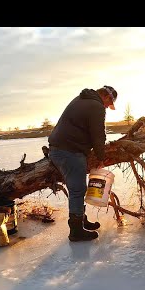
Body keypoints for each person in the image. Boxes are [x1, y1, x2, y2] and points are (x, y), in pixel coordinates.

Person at [48, 85, 117, 242]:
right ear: (106, 97)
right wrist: (101, 157)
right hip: (69, 151)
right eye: (108, 103)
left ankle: (81, 219)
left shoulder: (82, 99)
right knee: (77, 189)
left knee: (79, 188)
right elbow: (98, 134)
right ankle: (76, 230)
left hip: (60, 148)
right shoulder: (96, 106)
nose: (107, 107)